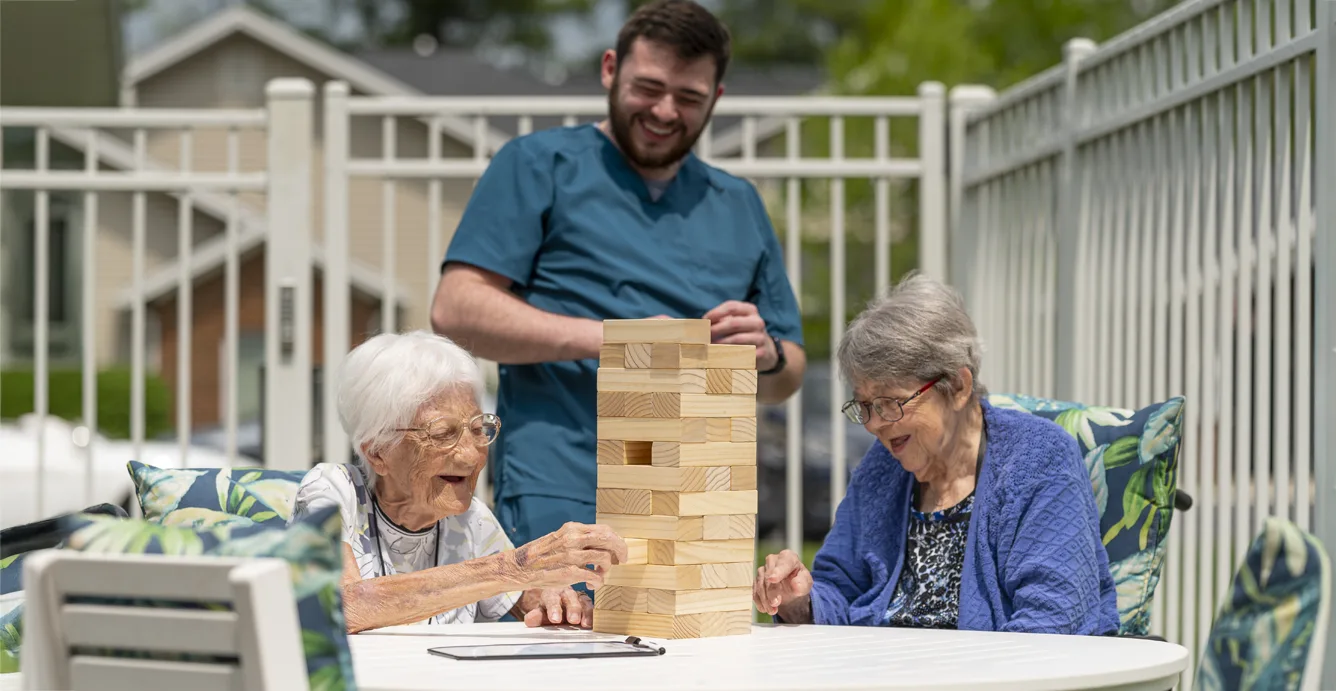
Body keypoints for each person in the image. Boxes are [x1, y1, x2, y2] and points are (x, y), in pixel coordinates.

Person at [430, 0, 805, 547]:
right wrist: (620, 340)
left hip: (701, 484)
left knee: (704, 635)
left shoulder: (738, 202)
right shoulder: (537, 164)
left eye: (689, 97)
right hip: (562, 481)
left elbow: (789, 372)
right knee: (562, 632)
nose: (665, 111)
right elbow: (456, 309)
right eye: (648, 88)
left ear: (716, 99)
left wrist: (766, 355)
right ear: (610, 69)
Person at [753, 273, 1119, 635]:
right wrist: (799, 599)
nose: (874, 424)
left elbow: (1053, 621)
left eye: (891, 402)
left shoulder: (1038, 459)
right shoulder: (883, 469)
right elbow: (841, 591)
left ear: (958, 387)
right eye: (864, 406)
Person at [288, 331, 629, 634]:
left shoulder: (470, 520)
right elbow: (339, 606)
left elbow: (526, 594)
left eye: (479, 429)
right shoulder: (333, 491)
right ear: (378, 453)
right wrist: (517, 567)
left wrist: (556, 598)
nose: (471, 456)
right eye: (441, 433)